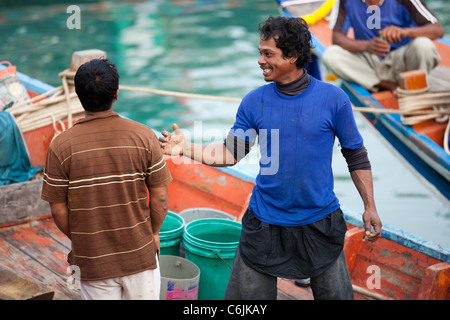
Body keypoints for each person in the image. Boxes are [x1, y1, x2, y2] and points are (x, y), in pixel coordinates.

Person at [159, 15, 382, 300]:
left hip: (319, 223)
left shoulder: (333, 99)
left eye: (268, 54)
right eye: (260, 53)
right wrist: (186, 147)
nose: (260, 61)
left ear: (293, 56)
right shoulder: (254, 101)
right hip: (265, 222)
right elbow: (230, 153)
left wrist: (370, 206)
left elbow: (356, 156)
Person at [41, 59, 172, 300]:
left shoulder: (61, 146)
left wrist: (83, 238)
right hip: (140, 256)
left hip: (92, 262)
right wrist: (153, 233)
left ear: (78, 96)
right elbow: (161, 198)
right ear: (116, 93)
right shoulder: (144, 136)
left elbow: (58, 210)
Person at [323, 0, 444, 96]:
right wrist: (367, 46)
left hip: (403, 61)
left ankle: (415, 87)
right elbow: (337, 38)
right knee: (331, 55)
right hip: (369, 61)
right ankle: (388, 85)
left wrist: (404, 32)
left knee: (424, 45)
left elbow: (437, 30)